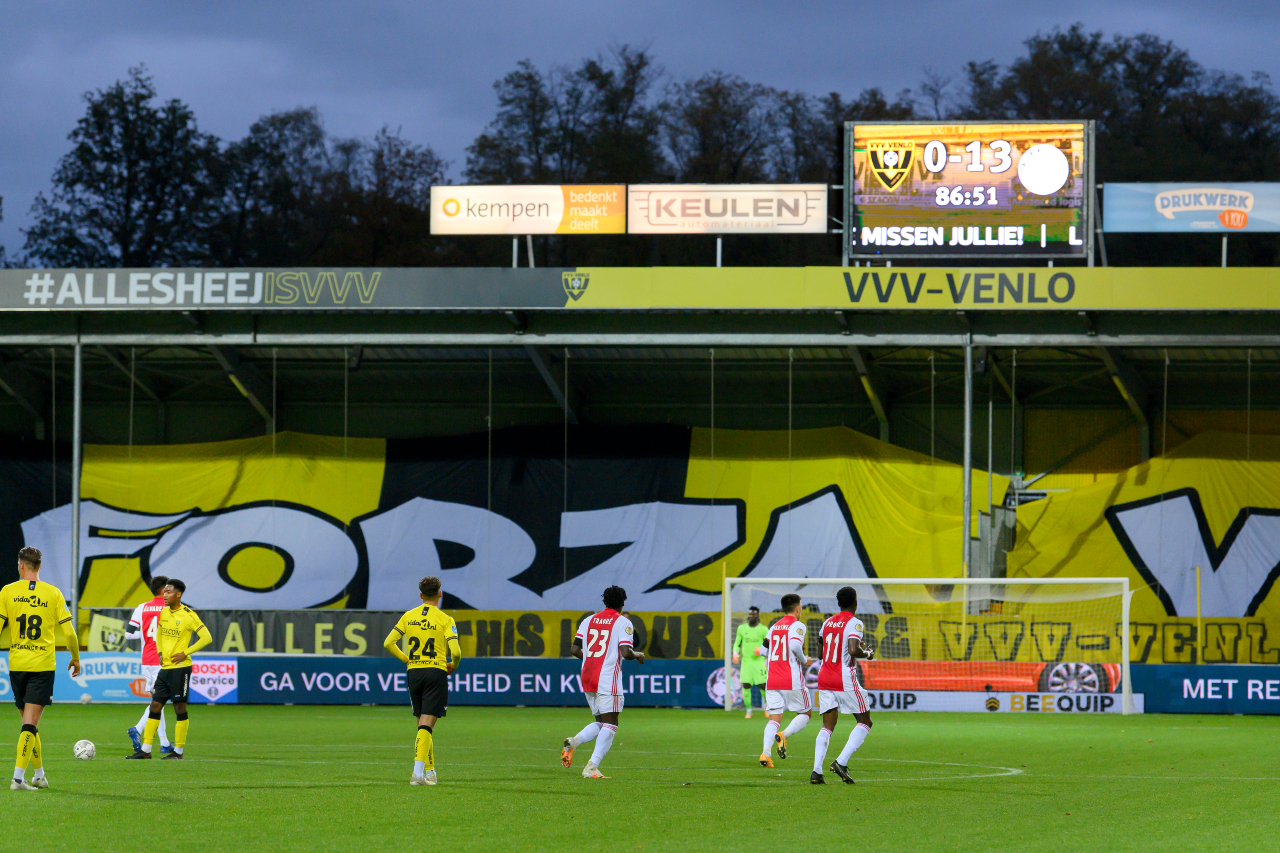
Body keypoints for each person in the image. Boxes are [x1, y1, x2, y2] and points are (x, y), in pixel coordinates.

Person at [0, 546, 80, 791]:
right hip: (42, 666)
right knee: (30, 724)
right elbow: (68, 632)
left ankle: (40, 776)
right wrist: (75, 657)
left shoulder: (7, 591)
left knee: (28, 722)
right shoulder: (53, 593)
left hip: (17, 665)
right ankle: (17, 779)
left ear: (21, 566)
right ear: (39, 567)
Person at [383, 575, 461, 787]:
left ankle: (430, 772)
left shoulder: (409, 616)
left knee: (422, 726)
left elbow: (389, 642)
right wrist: (453, 665)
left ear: (420, 595)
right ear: (440, 593)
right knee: (427, 724)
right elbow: (456, 650)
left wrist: (406, 658)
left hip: (414, 672)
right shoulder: (446, 619)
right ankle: (417, 775)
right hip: (435, 671)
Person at [561, 585, 644, 779]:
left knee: (601, 721)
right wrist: (638, 654)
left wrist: (591, 659)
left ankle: (574, 741)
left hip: (588, 676)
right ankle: (591, 767)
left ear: (604, 602)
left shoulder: (588, 620)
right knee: (611, 723)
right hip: (607, 678)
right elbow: (625, 652)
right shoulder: (623, 622)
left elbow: (574, 649)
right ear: (622, 603)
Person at [126, 579, 211, 760]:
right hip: (164, 668)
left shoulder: (189, 615)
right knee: (155, 705)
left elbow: (206, 637)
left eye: (169, 592)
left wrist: (185, 653)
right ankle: (146, 750)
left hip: (181, 668)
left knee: (179, 708)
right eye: (164, 592)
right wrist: (160, 652)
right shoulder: (164, 613)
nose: (165, 595)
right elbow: (159, 631)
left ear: (178, 594)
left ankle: (178, 752)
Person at [811, 586, 875, 784]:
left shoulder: (827, 622)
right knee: (865, 721)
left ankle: (816, 772)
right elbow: (853, 650)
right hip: (843, 677)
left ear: (838, 603)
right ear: (855, 602)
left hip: (824, 676)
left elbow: (821, 654)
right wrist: (868, 654)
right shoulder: (855, 623)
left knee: (827, 725)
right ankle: (841, 762)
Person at [760, 593, 813, 769]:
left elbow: (762, 650)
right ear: (798, 609)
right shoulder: (798, 625)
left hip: (772, 679)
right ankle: (784, 735)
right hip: (791, 679)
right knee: (805, 714)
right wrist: (805, 660)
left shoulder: (773, 627)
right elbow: (795, 646)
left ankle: (765, 754)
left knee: (774, 719)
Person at [124, 575, 174, 755]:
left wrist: (146, 635)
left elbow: (129, 635)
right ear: (163, 590)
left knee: (157, 701)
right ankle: (137, 729)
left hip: (146, 660)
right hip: (163, 659)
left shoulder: (142, 607)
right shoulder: (170, 608)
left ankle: (165, 743)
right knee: (158, 701)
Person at [732, 606, 768, 719]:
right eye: (750, 614)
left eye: (753, 614)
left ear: (758, 616)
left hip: (759, 662)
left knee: (763, 686)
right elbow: (737, 643)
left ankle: (767, 707)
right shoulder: (741, 628)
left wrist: (761, 651)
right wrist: (735, 653)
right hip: (746, 662)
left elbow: (770, 645)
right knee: (746, 685)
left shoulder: (763, 629)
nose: (751, 616)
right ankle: (749, 711)